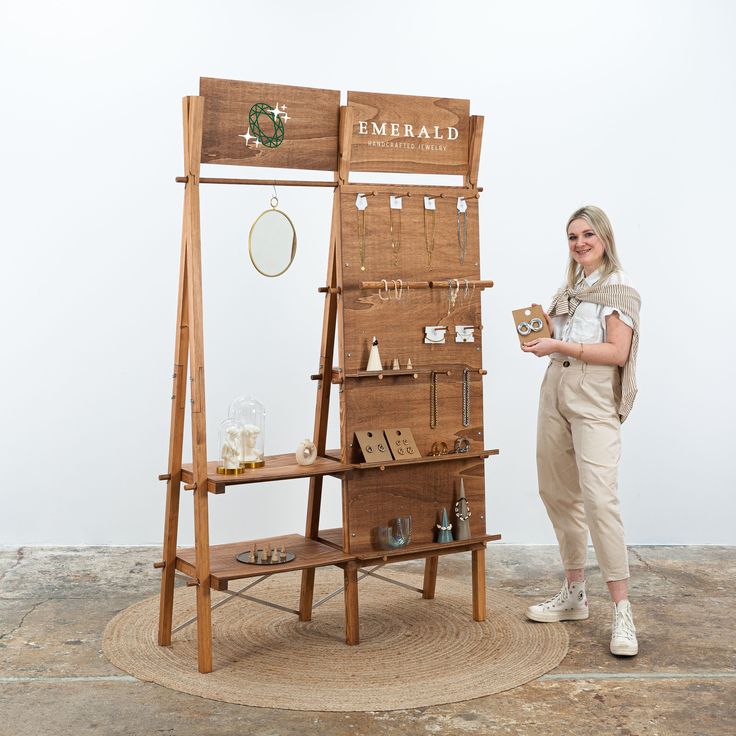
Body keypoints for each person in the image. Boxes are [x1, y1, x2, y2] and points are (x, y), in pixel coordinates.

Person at [521, 205, 641, 657]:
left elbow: (617, 352)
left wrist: (560, 343)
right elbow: (551, 332)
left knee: (599, 497)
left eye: (588, 234)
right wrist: (536, 334)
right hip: (554, 385)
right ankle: (574, 592)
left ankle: (622, 610)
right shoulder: (568, 289)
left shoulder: (619, 287)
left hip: (592, 394)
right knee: (555, 490)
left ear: (605, 237)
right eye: (572, 237)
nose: (580, 243)